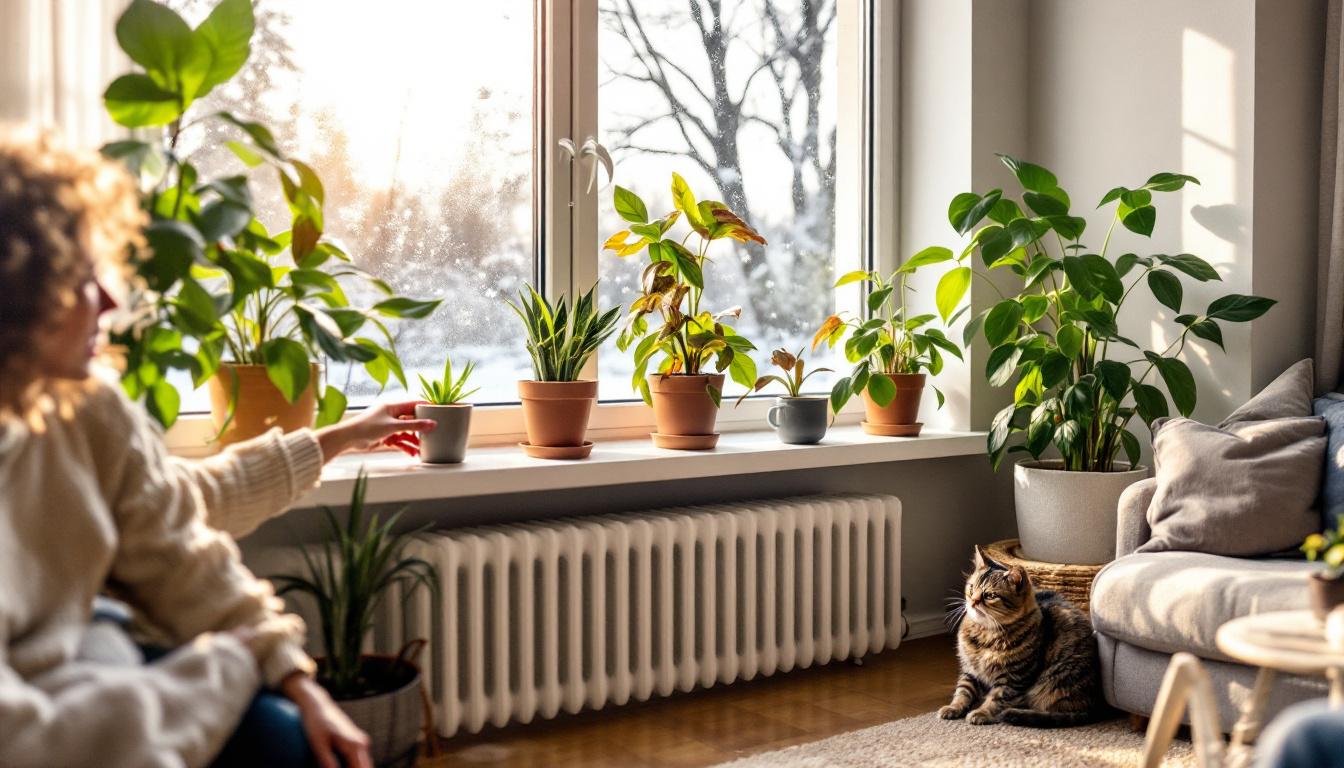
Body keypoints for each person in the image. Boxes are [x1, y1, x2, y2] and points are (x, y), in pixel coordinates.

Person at [0, 127, 437, 768]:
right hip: (65, 708)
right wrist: (223, 672)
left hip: (99, 667)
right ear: (17, 295)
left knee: (293, 738)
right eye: (83, 278)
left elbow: (179, 523)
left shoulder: (81, 404)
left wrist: (296, 681)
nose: (113, 302)